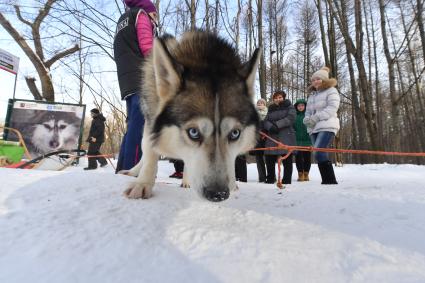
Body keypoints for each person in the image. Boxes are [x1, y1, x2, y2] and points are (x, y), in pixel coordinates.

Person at [114, 0, 158, 173]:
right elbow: (147, 47)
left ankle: (122, 168)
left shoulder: (123, 20)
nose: (155, 19)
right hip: (141, 76)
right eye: (154, 15)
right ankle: (133, 169)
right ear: (148, 10)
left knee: (132, 123)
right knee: (141, 125)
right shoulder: (141, 15)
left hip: (126, 79)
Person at [303, 66, 340, 184]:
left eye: (318, 79)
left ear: (324, 80)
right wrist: (306, 119)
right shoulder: (312, 95)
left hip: (327, 125)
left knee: (318, 152)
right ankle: (327, 181)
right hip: (313, 128)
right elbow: (308, 111)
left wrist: (316, 117)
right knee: (319, 154)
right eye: (313, 80)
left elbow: (332, 108)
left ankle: (329, 180)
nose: (315, 81)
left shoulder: (332, 91)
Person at [263, 91, 296, 185]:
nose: (278, 99)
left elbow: (291, 118)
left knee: (286, 158)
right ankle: (270, 178)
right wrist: (270, 127)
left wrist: (277, 125)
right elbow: (265, 121)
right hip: (272, 135)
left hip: (286, 134)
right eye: (276, 98)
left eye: (280, 97)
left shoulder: (289, 106)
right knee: (269, 157)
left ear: (284, 98)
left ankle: (287, 179)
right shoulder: (270, 109)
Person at [294, 99, 312, 181]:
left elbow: (312, 127)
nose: (300, 107)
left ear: (305, 106)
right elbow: (292, 128)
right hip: (297, 140)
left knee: (307, 158)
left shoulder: (308, 115)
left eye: (302, 105)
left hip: (307, 140)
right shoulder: (294, 116)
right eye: (298, 106)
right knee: (298, 158)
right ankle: (300, 174)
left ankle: (306, 174)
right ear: (296, 107)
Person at [252, 98, 268, 182]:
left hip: (267, 138)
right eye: (258, 103)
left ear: (265, 105)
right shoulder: (253, 115)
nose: (260, 104)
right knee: (259, 158)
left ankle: (271, 176)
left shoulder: (268, 114)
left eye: (262, 103)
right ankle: (262, 177)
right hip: (257, 139)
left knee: (269, 159)